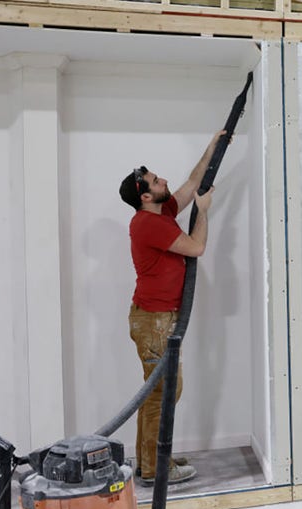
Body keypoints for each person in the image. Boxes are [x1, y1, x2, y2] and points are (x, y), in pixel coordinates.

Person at [117, 130, 223, 485]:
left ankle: (150, 459)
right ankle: (152, 468)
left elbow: (193, 182)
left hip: (158, 319)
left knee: (156, 391)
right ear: (145, 196)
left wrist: (214, 145)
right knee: (163, 391)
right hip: (153, 322)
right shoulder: (147, 223)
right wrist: (204, 213)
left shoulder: (162, 211)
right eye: (155, 180)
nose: (163, 180)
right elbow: (196, 248)